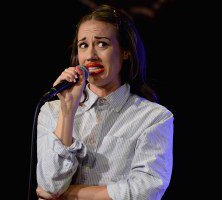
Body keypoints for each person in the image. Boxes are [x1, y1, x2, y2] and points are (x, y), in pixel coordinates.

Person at [36, 4, 174, 200]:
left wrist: (71, 193)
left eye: (102, 44)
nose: (91, 55)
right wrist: (67, 112)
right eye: (83, 45)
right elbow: (50, 184)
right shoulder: (52, 110)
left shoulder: (153, 117)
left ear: (125, 51)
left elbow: (146, 191)